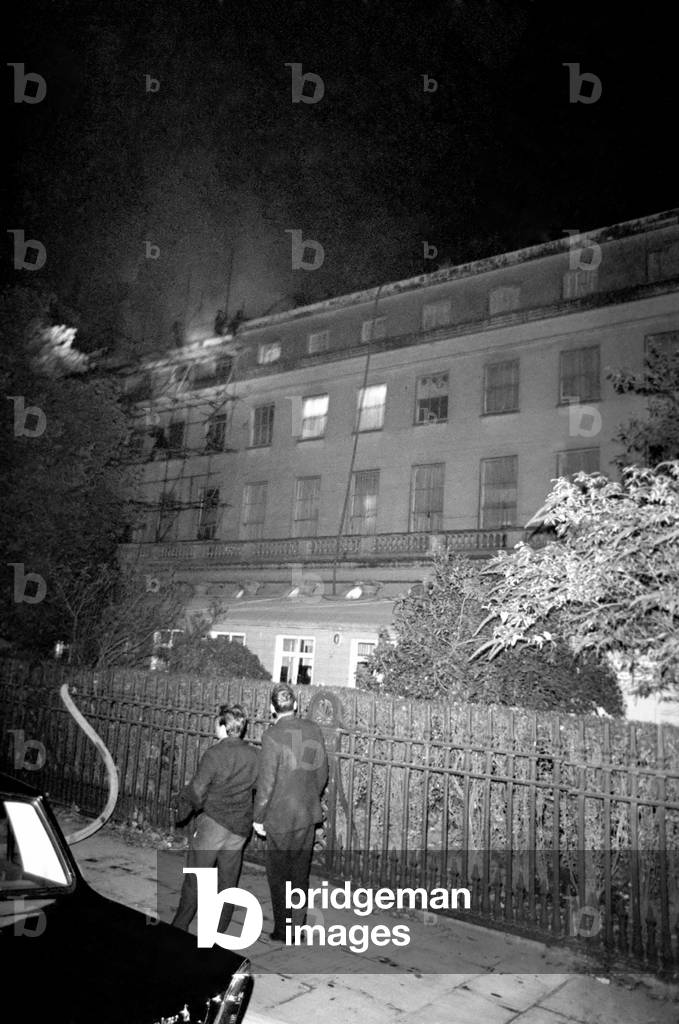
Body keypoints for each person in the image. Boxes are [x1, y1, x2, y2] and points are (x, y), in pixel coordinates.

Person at [171, 703, 258, 932]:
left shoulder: (214, 753)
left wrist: (184, 808)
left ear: (223, 726)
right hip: (239, 827)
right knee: (228, 880)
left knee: (196, 879)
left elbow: (197, 790)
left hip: (213, 824)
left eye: (216, 722)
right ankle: (219, 929)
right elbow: (258, 787)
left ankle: (179, 927)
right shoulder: (254, 755)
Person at [253, 683, 328, 940]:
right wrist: (308, 798)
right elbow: (322, 773)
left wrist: (259, 817)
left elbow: (266, 783)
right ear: (296, 705)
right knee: (299, 873)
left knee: (278, 875)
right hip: (306, 814)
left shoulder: (272, 736)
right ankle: (298, 926)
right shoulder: (313, 729)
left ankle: (283, 929)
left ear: (272, 708)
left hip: (280, 816)